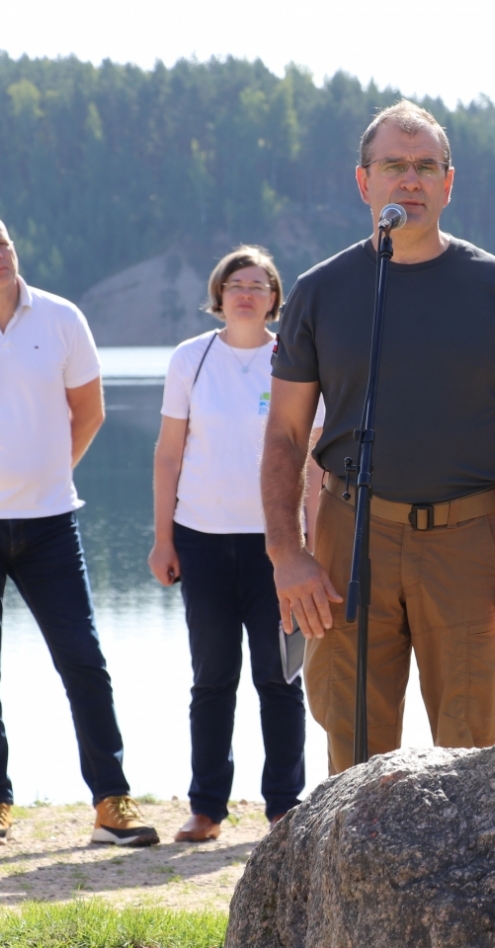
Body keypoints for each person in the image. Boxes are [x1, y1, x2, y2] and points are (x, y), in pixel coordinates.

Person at [260, 100, 495, 774]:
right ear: (363, 181)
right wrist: (288, 552)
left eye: (426, 166)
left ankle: (469, 882)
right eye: (394, 165)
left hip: (467, 541)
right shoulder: (321, 291)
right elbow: (284, 435)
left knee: (473, 755)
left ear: (449, 183)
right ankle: (362, 879)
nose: (411, 180)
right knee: (355, 750)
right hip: (350, 538)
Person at [0, 212, 157, 848]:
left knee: (84, 661)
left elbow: (89, 412)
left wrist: (45, 475)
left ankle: (111, 803)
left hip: (49, 524)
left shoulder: (63, 318)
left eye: (2, 243)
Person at [148, 246, 323, 842]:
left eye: (259, 284)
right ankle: (207, 809)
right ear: (218, 295)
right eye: (235, 284)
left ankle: (284, 807)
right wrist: (163, 539)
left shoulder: (295, 358)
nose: (246, 293)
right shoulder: (190, 359)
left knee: (279, 678)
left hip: (278, 549)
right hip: (201, 542)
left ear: (276, 297)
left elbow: (316, 464)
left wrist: (313, 545)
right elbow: (170, 453)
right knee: (212, 677)